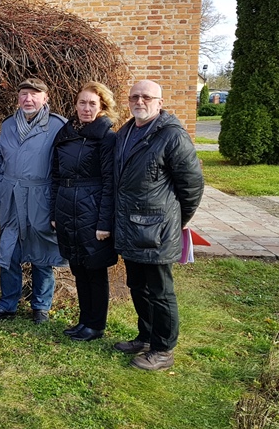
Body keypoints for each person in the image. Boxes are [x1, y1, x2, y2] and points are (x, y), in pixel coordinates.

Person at [113, 80, 204, 371]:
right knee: (137, 286)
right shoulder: (126, 132)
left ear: (160, 103)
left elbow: (191, 186)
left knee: (160, 291)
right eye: (135, 97)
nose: (140, 101)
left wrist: (177, 219)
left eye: (147, 97)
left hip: (157, 231)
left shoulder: (172, 136)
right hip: (130, 226)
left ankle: (163, 349)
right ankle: (146, 337)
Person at [0, 78, 66, 325]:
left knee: (43, 255)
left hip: (41, 199)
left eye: (34, 94)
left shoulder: (58, 126)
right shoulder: (8, 125)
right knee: (9, 253)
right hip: (11, 200)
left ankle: (41, 307)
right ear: (18, 98)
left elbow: (63, 168)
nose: (28, 99)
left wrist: (55, 207)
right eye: (24, 94)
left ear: (45, 98)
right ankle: (7, 305)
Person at [50, 82, 119, 341]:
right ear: (75, 105)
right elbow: (55, 175)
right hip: (68, 208)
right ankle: (83, 321)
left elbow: (110, 182)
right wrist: (55, 213)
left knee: (95, 269)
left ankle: (96, 325)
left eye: (92, 103)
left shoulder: (107, 137)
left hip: (93, 209)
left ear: (102, 107)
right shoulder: (65, 134)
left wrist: (105, 222)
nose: (86, 108)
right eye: (82, 103)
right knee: (78, 267)